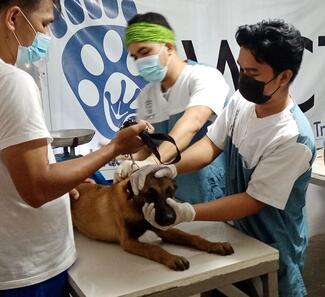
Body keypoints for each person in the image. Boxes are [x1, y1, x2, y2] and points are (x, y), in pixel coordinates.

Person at [130, 19, 315, 297]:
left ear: (284, 77)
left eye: (253, 72)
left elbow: (253, 201)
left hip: (273, 243)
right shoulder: (243, 101)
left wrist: (188, 213)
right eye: (241, 68)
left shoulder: (292, 138)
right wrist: (168, 168)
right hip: (235, 234)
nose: (243, 78)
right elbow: (209, 145)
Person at [0, 1, 148, 296]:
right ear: (13, 18)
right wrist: (115, 148)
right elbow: (38, 187)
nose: (47, 36)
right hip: (28, 272)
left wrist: (63, 181)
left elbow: (16, 173)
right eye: (44, 24)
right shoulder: (12, 83)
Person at [114, 12, 229, 203]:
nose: (140, 62)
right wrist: (131, 162)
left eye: (144, 52)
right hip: (172, 197)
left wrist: (151, 162)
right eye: (135, 57)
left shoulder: (204, 77)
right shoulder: (146, 96)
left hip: (214, 196)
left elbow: (192, 123)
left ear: (168, 46)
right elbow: (148, 145)